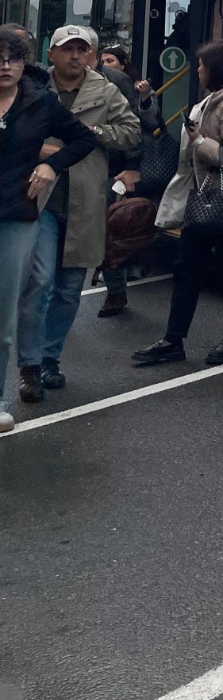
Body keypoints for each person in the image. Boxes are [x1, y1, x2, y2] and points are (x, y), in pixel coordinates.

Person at [17, 24, 140, 399]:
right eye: (66, 49)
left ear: (90, 55)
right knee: (39, 284)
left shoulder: (105, 91)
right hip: (39, 201)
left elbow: (132, 131)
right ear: (50, 53)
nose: (75, 56)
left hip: (85, 200)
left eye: (81, 50)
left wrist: (91, 133)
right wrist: (37, 150)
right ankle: (30, 365)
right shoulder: (32, 89)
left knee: (70, 290)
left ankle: (51, 358)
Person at [133, 39, 223, 368]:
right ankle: (173, 340)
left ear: (215, 69)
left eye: (201, 65)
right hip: (206, 195)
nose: (196, 71)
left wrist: (198, 140)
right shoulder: (216, 99)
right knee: (186, 268)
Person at [0, 24, 99, 431]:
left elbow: (83, 140)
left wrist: (49, 164)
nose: (5, 65)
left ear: (25, 63)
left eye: (13, 58)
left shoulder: (41, 104)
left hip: (16, 218)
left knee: (5, 313)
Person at [94, 40, 162, 316]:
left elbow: (135, 124)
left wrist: (133, 165)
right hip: (70, 165)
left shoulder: (117, 81)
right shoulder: (55, 81)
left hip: (112, 166)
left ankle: (115, 291)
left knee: (109, 231)